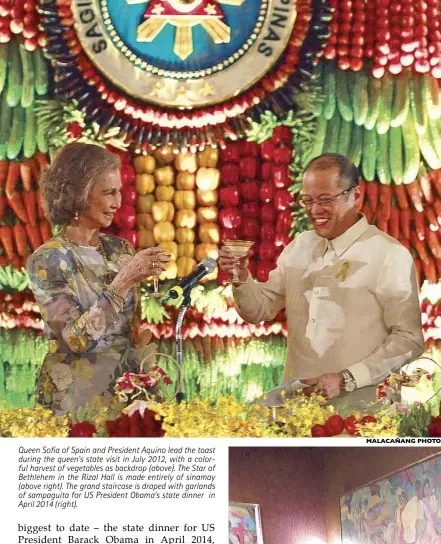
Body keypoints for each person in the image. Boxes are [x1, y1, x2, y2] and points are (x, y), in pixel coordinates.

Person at [219, 153, 424, 408]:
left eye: (325, 200)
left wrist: (347, 379)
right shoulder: (300, 246)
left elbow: (409, 339)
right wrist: (240, 277)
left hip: (362, 412)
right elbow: (259, 309)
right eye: (308, 200)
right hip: (296, 407)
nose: (315, 210)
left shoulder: (388, 254)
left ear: (356, 196)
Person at [27, 143, 171, 415]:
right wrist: (124, 280)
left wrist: (147, 370)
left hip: (127, 391)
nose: (118, 203)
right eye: (108, 193)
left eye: (119, 192)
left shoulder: (121, 250)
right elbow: (76, 340)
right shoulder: (48, 259)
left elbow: (129, 329)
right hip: (75, 398)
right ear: (79, 195)